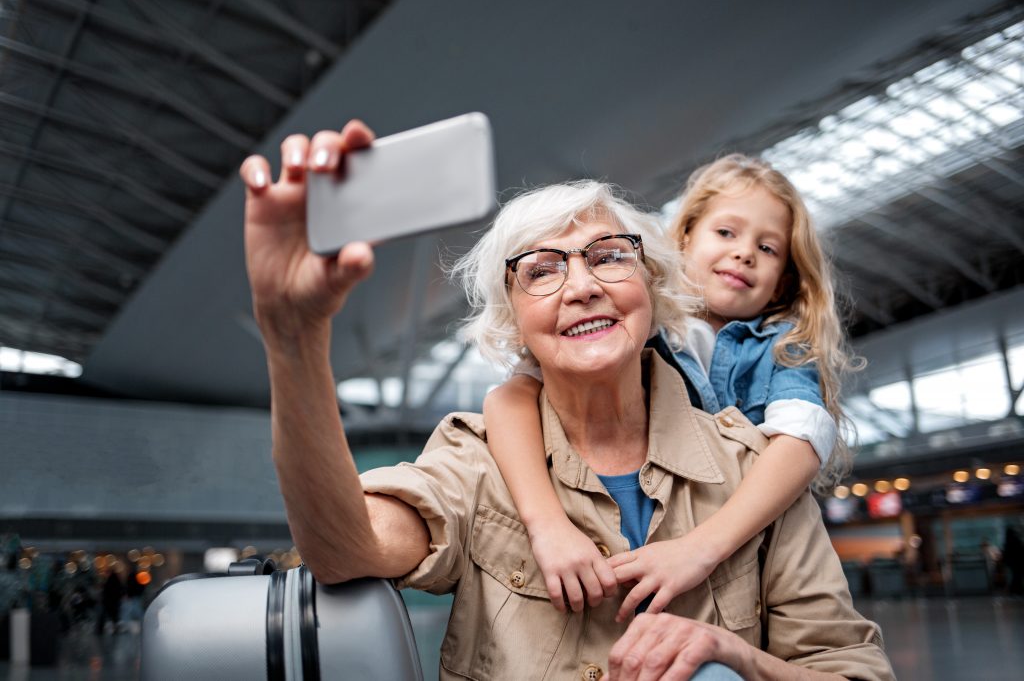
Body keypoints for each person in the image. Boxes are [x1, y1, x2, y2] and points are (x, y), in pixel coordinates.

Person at [240, 121, 894, 680]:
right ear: (512, 322)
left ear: (656, 292)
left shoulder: (757, 471)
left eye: (610, 255)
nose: (581, 285)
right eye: (542, 269)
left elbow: (850, 668)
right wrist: (294, 344)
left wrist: (731, 655)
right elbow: (347, 548)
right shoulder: (478, 461)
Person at [483, 154, 857, 619]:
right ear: (683, 240)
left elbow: (802, 438)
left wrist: (701, 548)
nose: (744, 252)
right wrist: (546, 524)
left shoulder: (786, 347)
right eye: (726, 232)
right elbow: (509, 396)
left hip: (739, 555)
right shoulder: (638, 323)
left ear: (782, 283)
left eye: (769, 248)